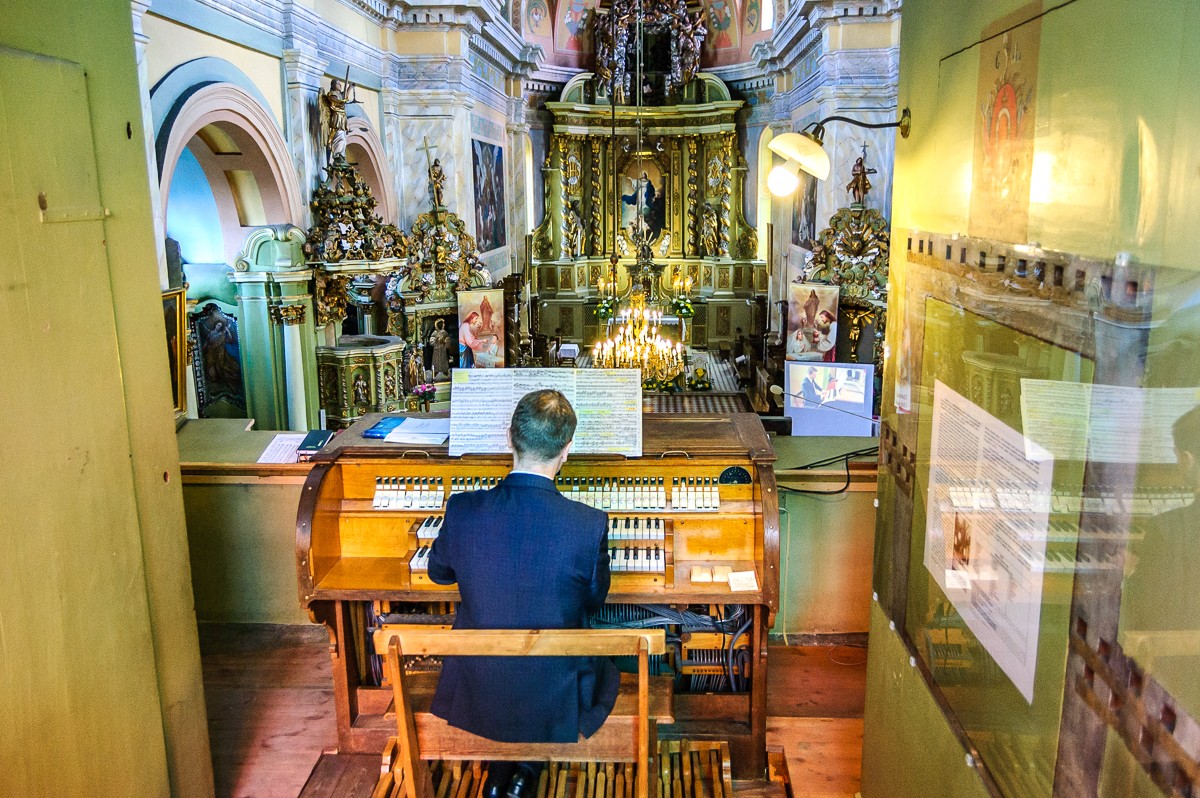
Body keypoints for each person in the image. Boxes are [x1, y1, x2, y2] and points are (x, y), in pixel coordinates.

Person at [428, 390, 616, 798]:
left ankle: (504, 772)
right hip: (556, 689)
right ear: (566, 450)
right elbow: (593, 601)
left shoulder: (462, 510)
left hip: (479, 682)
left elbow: (438, 573)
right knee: (600, 658)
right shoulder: (588, 525)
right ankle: (525, 770)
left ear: (509, 437)